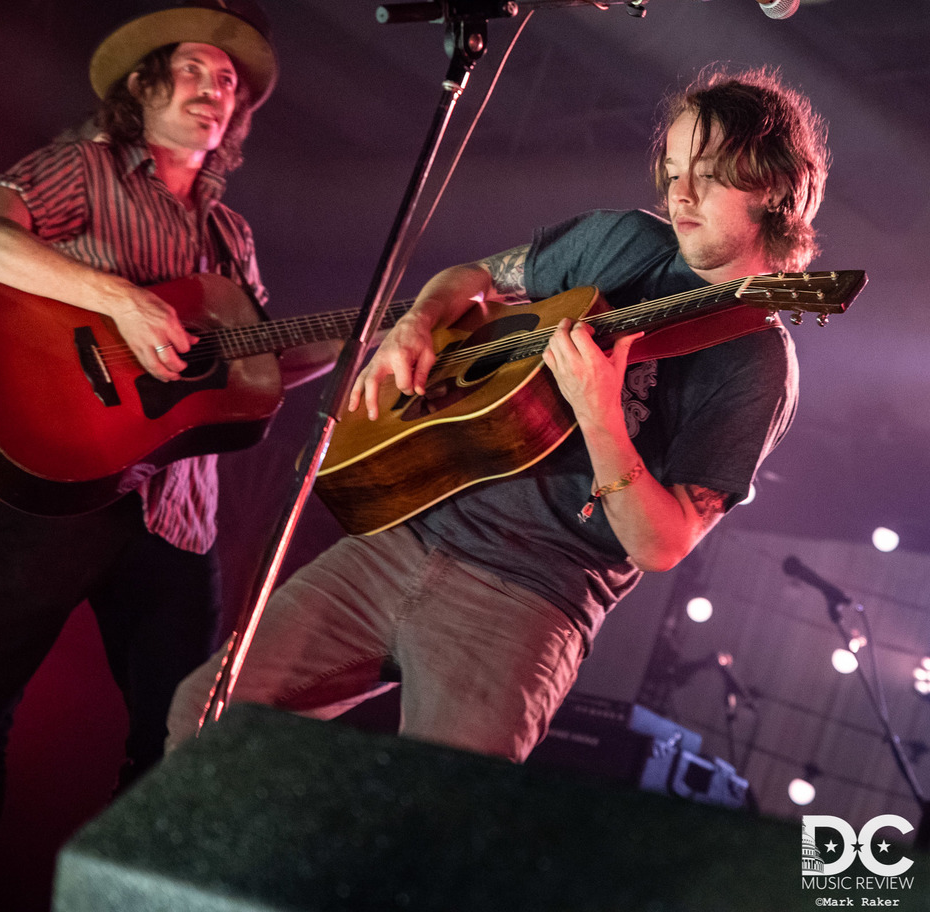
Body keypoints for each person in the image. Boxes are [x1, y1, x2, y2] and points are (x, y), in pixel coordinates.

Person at [166, 66, 828, 767]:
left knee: (445, 806)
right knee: (205, 714)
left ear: (774, 191)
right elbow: (473, 279)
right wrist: (419, 321)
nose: (680, 193)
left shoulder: (757, 362)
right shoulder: (621, 239)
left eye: (710, 175)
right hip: (400, 537)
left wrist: (599, 413)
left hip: (528, 600)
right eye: (672, 170)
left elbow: (662, 545)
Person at [0, 0, 336, 912]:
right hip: (67, 476)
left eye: (229, 82)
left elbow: (249, 370)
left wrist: (367, 338)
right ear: (142, 87)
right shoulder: (84, 168)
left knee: (176, 743)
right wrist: (121, 300)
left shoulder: (231, 235)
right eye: (194, 70)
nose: (215, 89)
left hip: (178, 515)